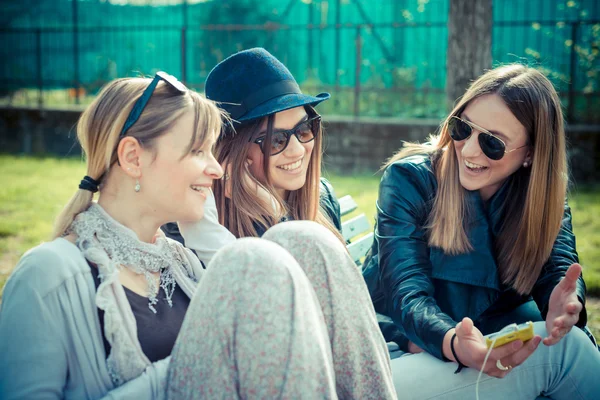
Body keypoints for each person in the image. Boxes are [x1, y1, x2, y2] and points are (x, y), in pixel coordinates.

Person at [0, 72, 396, 399]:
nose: (218, 169)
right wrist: (200, 362)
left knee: (305, 239)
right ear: (133, 158)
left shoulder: (184, 264)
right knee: (255, 257)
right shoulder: (47, 275)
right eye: (198, 152)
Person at [362, 64, 600, 398]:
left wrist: (564, 305)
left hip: (473, 348)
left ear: (530, 154)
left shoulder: (542, 203)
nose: (470, 150)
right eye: (463, 129)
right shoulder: (411, 180)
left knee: (567, 343)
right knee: (567, 353)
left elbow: (557, 273)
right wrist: (457, 344)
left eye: (492, 143)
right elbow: (407, 294)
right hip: (396, 350)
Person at [162, 48, 343, 256]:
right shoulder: (201, 218)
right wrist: (273, 214)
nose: (297, 150)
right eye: (276, 140)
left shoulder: (323, 198)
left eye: (304, 129)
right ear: (235, 151)